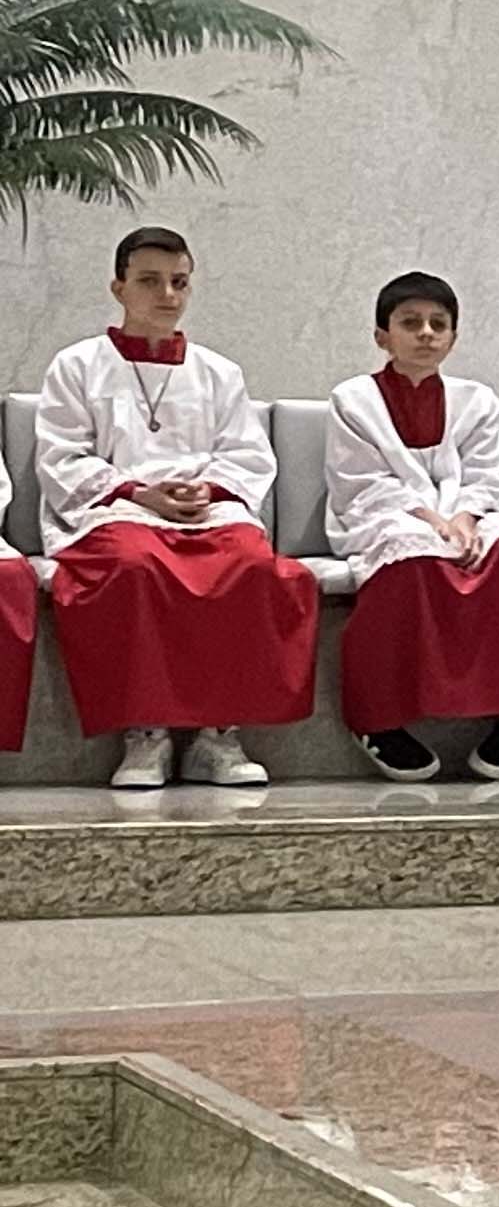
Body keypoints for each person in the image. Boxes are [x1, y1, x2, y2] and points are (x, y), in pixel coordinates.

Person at [36, 227, 320, 790]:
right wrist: (139, 494)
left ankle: (219, 738)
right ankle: (146, 736)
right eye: (150, 281)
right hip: (119, 510)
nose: (167, 295)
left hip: (205, 510)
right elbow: (62, 456)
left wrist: (208, 491)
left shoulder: (219, 372)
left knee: (251, 565)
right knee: (134, 565)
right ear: (118, 287)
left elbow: (246, 455)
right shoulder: (77, 365)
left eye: (179, 282)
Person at [328, 271, 499, 782]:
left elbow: (488, 475)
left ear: (454, 338)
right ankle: (380, 722)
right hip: (385, 514)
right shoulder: (353, 399)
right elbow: (360, 481)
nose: (427, 333)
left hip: (467, 513)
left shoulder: (477, 399)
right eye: (411, 323)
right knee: (411, 558)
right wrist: (432, 520)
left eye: (439, 323)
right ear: (382, 336)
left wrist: (464, 517)